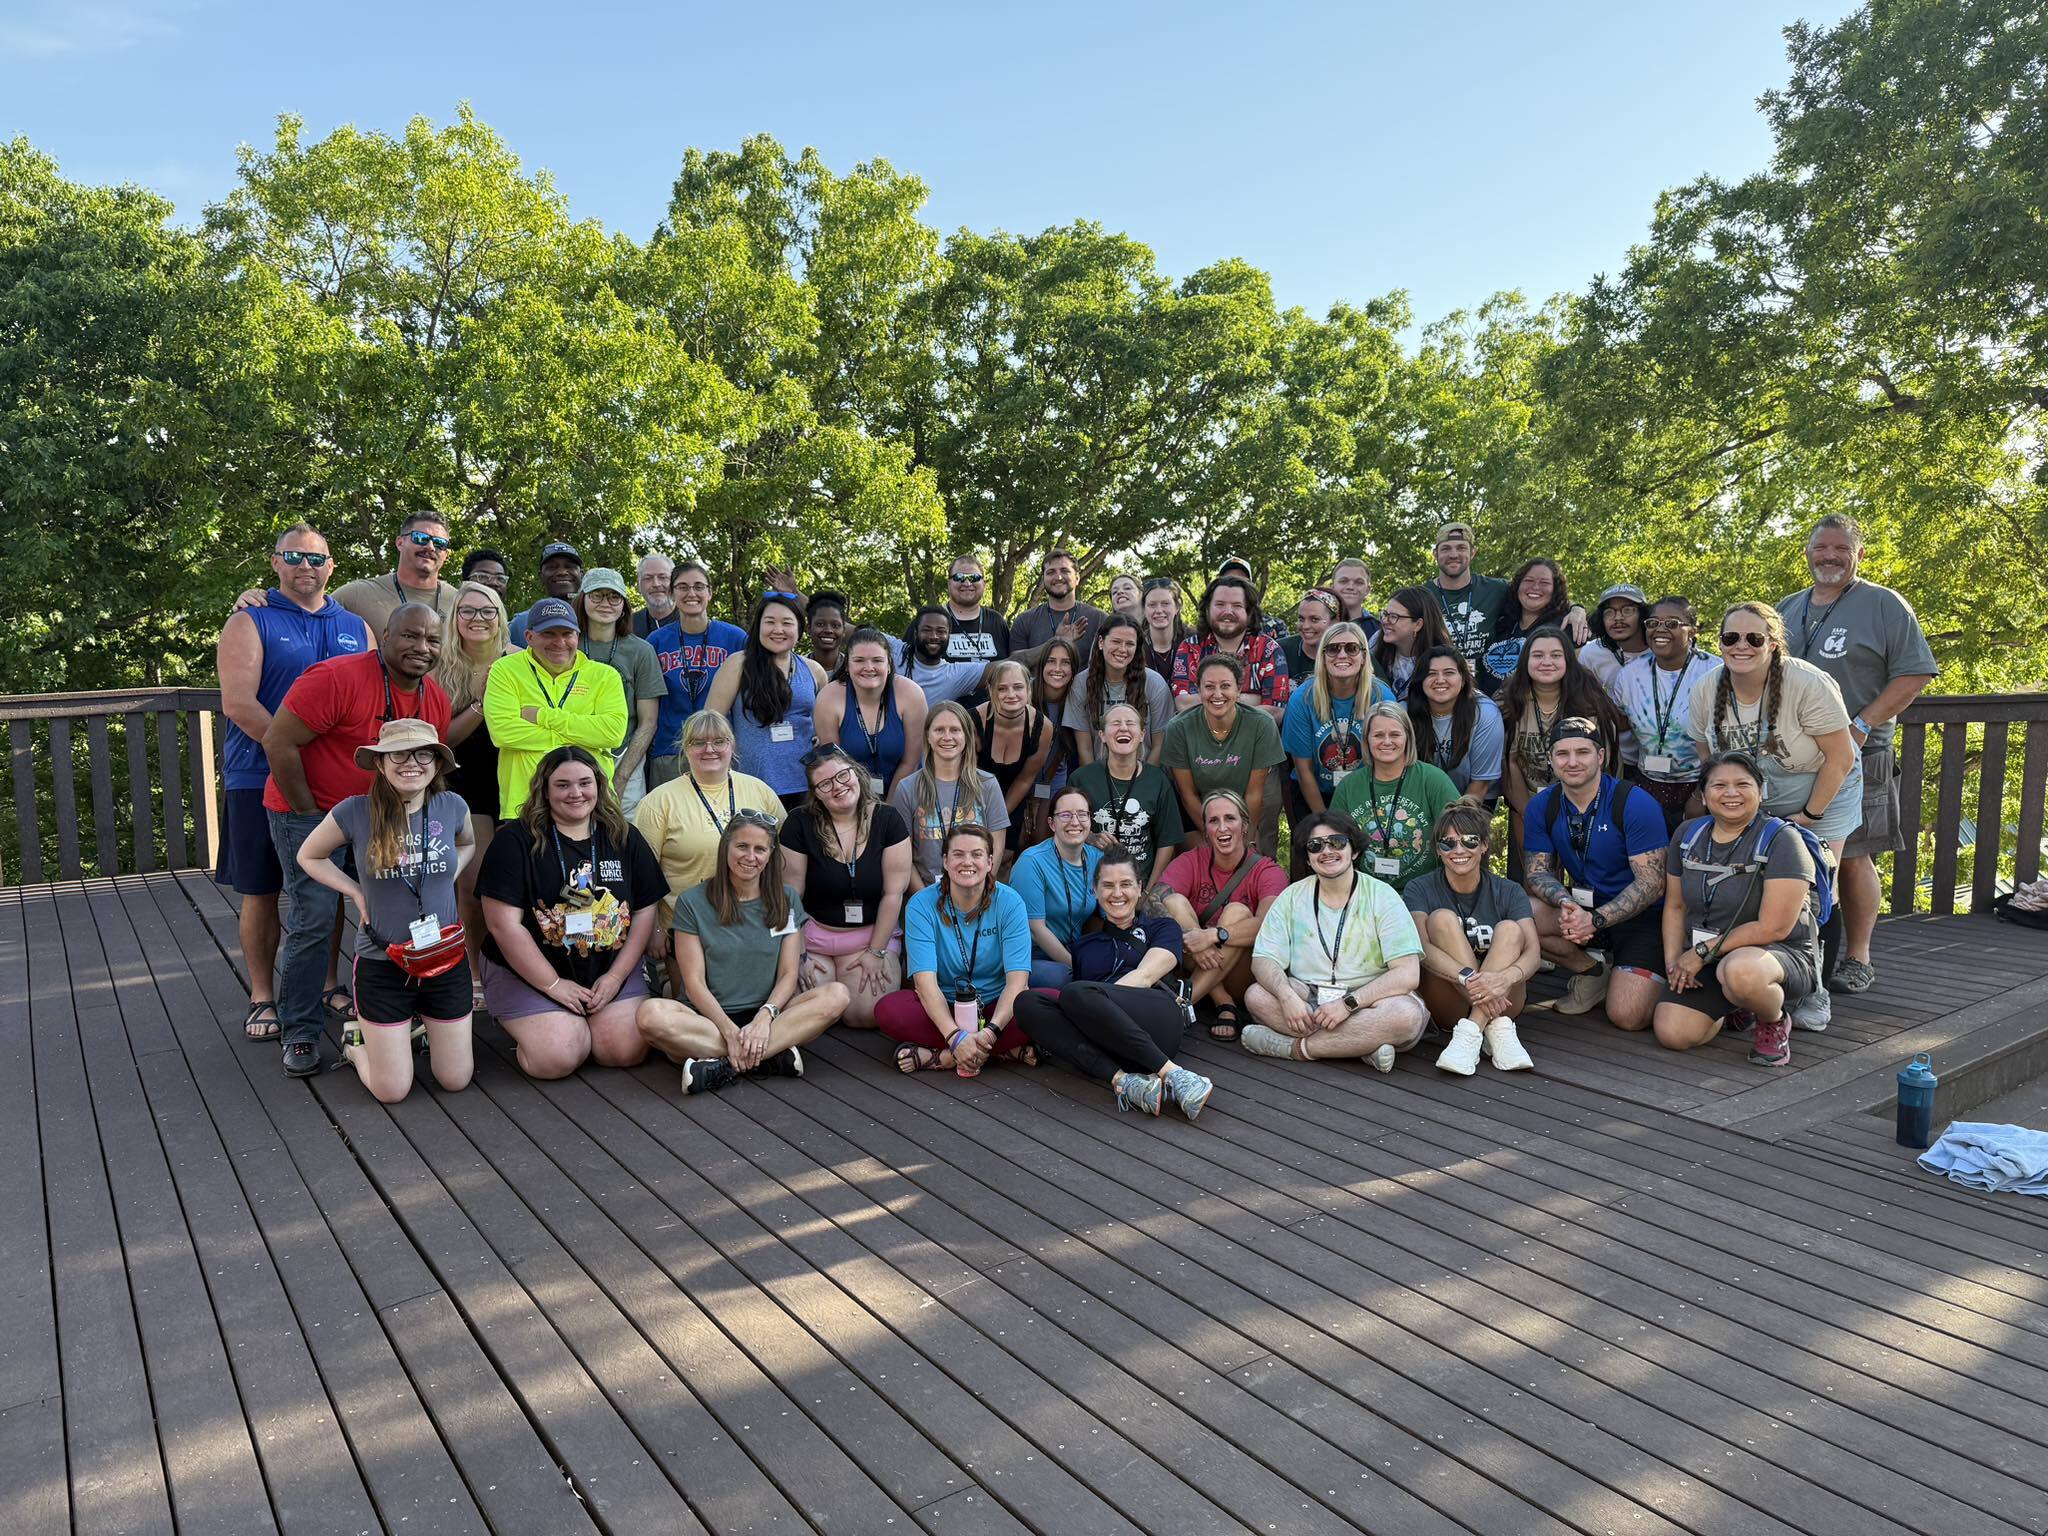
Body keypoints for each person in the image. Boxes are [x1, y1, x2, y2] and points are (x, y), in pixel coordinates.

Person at [261, 603, 451, 1075]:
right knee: (316, 916)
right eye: (410, 636)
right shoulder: (336, 677)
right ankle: (301, 1031)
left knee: (394, 911)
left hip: (382, 818)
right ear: (385, 636)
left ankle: (400, 1018)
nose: (421, 648)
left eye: (431, 640)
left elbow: (422, 770)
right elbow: (278, 742)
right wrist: (309, 812)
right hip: (309, 810)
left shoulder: (435, 699)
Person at [216, 524, 374, 1042]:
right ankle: (263, 995)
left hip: (337, 785)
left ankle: (326, 983)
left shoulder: (355, 625)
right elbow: (239, 703)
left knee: (325, 886)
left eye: (315, 558)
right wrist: (293, 751)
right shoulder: (250, 620)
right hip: (258, 775)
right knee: (261, 888)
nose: (305, 566)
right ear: (275, 562)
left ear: (332, 566)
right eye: (293, 556)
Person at [1776, 513, 1937, 994]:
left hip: (1860, 756)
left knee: (1852, 856)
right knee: (1796, 853)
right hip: (1794, 759)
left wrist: (1862, 725)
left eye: (1840, 548)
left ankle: (1858, 957)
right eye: (1820, 548)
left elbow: (1915, 673)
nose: (1829, 556)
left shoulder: (1884, 604)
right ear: (1807, 553)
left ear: (1858, 554)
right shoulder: (1787, 607)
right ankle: (1803, 952)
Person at [1690, 601, 1861, 1033]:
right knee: (1750, 881)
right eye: (1731, 638)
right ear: (1720, 643)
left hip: (1821, 786)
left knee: (1819, 884)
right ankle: (1757, 979)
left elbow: (1840, 757)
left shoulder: (1806, 682)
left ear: (1773, 643)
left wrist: (1808, 817)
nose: (1741, 646)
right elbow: (1708, 760)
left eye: (1754, 638)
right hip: (1753, 792)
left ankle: (1815, 989)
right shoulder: (1707, 689)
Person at [294, 719, 476, 1102]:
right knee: (391, 1090)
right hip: (383, 961)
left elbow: (466, 845)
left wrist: (445, 875)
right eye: (398, 754)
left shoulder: (452, 806)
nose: (412, 763)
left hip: (444, 957)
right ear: (381, 763)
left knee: (455, 1079)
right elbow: (309, 855)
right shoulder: (355, 812)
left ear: (437, 762)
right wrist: (355, 892)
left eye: (423, 753)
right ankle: (357, 1046)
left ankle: (415, 1030)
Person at [475, 744, 664, 1077]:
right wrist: (553, 986)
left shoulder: (622, 835)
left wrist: (617, 976)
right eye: (563, 785)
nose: (576, 793)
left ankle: (583, 1025)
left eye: (584, 783)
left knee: (624, 1050)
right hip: (532, 972)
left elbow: (646, 907)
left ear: (598, 787)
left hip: (607, 964)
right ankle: (545, 1025)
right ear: (544, 791)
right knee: (556, 1058)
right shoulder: (515, 842)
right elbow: (503, 925)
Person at [635, 812, 849, 1093]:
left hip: (768, 1017)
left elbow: (788, 974)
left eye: (760, 849)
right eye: (742, 846)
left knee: (837, 995)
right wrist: (729, 1031)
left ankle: (721, 1065)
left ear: (771, 854)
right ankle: (768, 1057)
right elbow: (694, 982)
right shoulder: (692, 902)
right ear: (726, 848)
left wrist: (763, 1019)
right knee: (650, 1014)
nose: (750, 856)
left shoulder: (785, 899)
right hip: (707, 1021)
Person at [1013, 848, 1215, 1119]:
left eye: (1126, 884)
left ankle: (1176, 1076)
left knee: (1075, 993)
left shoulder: (1162, 927)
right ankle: (1125, 1081)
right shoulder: (1084, 946)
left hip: (1157, 1020)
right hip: (1112, 1040)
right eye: (1107, 885)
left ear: (1140, 888)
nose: (1117, 893)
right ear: (1094, 891)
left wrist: (1093, 998)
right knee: (1026, 1002)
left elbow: (1145, 976)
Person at [1653, 751, 1825, 1068]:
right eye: (1719, 785)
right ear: (1703, 795)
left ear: (1761, 792)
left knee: (1739, 972)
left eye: (1742, 784)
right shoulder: (1687, 835)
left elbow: (1774, 928)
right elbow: (1675, 905)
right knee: (1673, 1033)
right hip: (1707, 954)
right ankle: (1736, 1003)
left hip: (1774, 954)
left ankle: (1772, 1018)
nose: (1731, 793)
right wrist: (1674, 963)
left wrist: (1699, 953)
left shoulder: (1782, 839)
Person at [1239, 810, 1429, 1069]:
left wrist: (1349, 1004)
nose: (1326, 851)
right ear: (1307, 858)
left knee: (1406, 1015)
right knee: (1257, 995)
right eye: (1315, 846)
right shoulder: (1292, 897)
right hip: (1309, 996)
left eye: (1337, 842)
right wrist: (1286, 997)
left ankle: (1295, 1049)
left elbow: (1407, 974)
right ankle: (1362, 1045)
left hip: (1368, 998)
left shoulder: (1383, 896)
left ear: (1355, 851)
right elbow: (1263, 960)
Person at [1521, 718, 1669, 1027]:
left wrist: (1597, 919)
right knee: (1521, 914)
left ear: (1600, 756)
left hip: (1640, 916)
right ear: (1550, 759)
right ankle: (1593, 971)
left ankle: (1648, 974)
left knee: (1627, 1015)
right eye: (1562, 754)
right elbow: (1536, 873)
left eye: (1583, 752)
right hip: (1581, 906)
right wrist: (1566, 904)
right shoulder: (1542, 805)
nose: (1572, 762)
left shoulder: (1634, 802)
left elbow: (1652, 884)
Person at [876, 824, 1036, 1075]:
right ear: (946, 861)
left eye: (976, 854)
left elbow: (1017, 982)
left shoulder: (1010, 901)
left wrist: (991, 1032)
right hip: (944, 1005)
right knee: (888, 1010)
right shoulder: (921, 905)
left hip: (994, 1007)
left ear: (990, 861)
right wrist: (955, 1037)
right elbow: (925, 984)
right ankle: (994, 1051)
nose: (967, 862)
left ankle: (943, 1057)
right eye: (958, 854)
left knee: (1045, 1003)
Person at [779, 746, 912, 1029]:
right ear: (815, 793)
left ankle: (888, 959)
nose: (838, 787)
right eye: (825, 784)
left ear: (856, 772)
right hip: (814, 937)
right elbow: (789, 896)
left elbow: (893, 893)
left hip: (871, 936)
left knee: (864, 1015)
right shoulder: (799, 824)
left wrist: (876, 953)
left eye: (842, 775)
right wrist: (798, 953)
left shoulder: (888, 820)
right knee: (809, 1005)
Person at [1404, 799, 1538, 1073]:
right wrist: (1471, 979)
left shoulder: (1509, 890)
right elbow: (1422, 949)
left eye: (1469, 841)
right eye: (1447, 843)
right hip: (1448, 998)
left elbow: (1533, 954)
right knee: (1441, 918)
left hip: (1506, 995)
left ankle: (1471, 1032)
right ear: (1437, 850)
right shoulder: (1420, 888)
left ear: (1485, 845)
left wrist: (1504, 978)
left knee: (1511, 929)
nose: (1459, 850)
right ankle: (1495, 1028)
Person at [633, 709, 787, 943]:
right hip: (685, 927)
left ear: (732, 745)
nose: (709, 749)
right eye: (698, 742)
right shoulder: (659, 801)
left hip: (753, 923)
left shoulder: (760, 791)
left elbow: (784, 855)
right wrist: (654, 929)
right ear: (685, 747)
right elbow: (643, 873)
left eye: (719, 741)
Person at [1153, 790, 1289, 1040]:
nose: (1222, 827)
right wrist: (1198, 941)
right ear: (1205, 830)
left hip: (1242, 973)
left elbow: (1270, 926)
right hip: (1195, 962)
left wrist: (1214, 935)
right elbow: (1155, 900)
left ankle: (1184, 1002)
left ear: (1245, 826)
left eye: (1230, 818)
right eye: (1213, 821)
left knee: (1237, 911)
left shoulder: (1267, 870)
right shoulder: (1192, 860)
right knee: (1173, 900)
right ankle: (1220, 1000)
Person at [432, 579, 511, 999]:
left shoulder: (520, 661)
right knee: (473, 882)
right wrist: (480, 702)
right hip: (466, 783)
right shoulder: (440, 668)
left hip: (518, 782)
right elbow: (441, 739)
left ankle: (515, 970)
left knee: (519, 882)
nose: (478, 619)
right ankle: (474, 970)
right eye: (468, 611)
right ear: (455, 619)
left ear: (500, 618)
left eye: (487, 611)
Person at [483, 597, 629, 821]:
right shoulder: (505, 670)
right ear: (529, 637)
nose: (559, 642)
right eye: (549, 634)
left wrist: (542, 715)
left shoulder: (605, 675)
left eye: (566, 634)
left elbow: (612, 733)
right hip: (524, 804)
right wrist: (583, 738)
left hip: (591, 803)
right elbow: (503, 732)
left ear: (577, 637)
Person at [1499, 627, 1624, 855]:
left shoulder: (1591, 703)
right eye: (1538, 656)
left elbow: (1605, 764)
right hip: (1526, 802)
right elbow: (1509, 761)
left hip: (1587, 806)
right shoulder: (1509, 701)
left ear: (1568, 659)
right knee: (1536, 878)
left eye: (1556, 655)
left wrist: (1584, 812)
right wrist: (1530, 813)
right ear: (1526, 660)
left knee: (1586, 879)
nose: (1547, 662)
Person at [705, 592, 829, 803]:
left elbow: (827, 722)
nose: (778, 630)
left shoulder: (814, 671)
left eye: (787, 623)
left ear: (800, 629)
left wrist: (821, 736)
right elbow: (710, 720)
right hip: (752, 783)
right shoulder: (739, 664)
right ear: (758, 626)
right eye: (770, 622)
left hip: (806, 784)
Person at [1160, 654, 1287, 856]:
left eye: (1226, 686)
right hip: (1201, 809)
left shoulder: (1261, 723)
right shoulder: (1179, 728)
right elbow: (1188, 795)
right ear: (1199, 690)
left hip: (1245, 807)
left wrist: (1245, 840)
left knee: (1255, 858)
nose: (1217, 694)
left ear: (1238, 690)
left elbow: (1254, 794)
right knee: (1206, 856)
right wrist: (1216, 835)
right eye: (1209, 686)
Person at [1612, 597, 1720, 832]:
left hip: (1703, 785)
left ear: (1692, 631)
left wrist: (1702, 792)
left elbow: (1727, 741)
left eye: (1672, 623)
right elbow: (1620, 725)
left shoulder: (1715, 672)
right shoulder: (1630, 675)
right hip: (1647, 783)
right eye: (1653, 623)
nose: (1660, 629)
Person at [1424, 522, 1589, 673]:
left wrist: (1577, 609)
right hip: (1440, 681)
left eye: (1461, 548)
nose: (1454, 554)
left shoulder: (1496, 588)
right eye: (1446, 548)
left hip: (1483, 685)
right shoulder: (1421, 595)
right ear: (1435, 554)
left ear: (1473, 552)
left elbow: (1536, 594)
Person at [1331, 703, 1461, 892]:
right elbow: (1334, 843)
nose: (1386, 741)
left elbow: (1463, 835)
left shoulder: (1433, 779)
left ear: (1408, 738)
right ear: (1366, 740)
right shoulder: (1349, 786)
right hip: (1365, 895)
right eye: (1378, 735)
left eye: (1395, 734)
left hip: (1425, 894)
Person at [646, 560, 749, 788]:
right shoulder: (656, 642)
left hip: (720, 749)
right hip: (670, 750)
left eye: (699, 586)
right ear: (672, 593)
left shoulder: (735, 638)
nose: (691, 593)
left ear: (710, 593)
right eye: (682, 587)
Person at [1281, 620, 1394, 825]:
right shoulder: (1302, 699)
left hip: (1368, 792)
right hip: (1313, 792)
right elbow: (1303, 769)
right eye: (1333, 649)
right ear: (1323, 657)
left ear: (1363, 656)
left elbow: (1389, 761)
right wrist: (1326, 822)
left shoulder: (1381, 695)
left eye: (1351, 648)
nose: (1342, 655)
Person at [890, 701, 1010, 887]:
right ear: (928, 736)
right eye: (939, 730)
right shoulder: (907, 788)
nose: (947, 737)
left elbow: (996, 848)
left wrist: (979, 891)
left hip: (976, 891)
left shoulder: (987, 785)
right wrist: (925, 900)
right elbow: (903, 857)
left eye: (955, 730)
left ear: (967, 736)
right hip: (925, 895)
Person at [576, 568, 664, 818]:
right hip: (574, 754)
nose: (605, 603)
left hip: (624, 756)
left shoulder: (641, 651)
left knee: (625, 832)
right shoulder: (566, 645)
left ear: (624, 606)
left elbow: (648, 722)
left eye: (614, 597)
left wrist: (623, 775)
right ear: (583, 599)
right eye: (597, 595)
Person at [1071, 702, 1185, 884]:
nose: (1123, 728)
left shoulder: (1158, 780)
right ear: (1102, 735)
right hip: (1093, 884)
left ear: (1141, 735)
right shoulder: (1081, 778)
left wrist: (1148, 891)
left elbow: (1167, 842)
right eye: (1115, 723)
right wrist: (1090, 837)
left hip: (1140, 883)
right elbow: (1066, 829)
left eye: (1130, 723)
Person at [813, 627, 927, 798]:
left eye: (877, 660)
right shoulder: (829, 698)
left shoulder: (911, 694)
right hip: (848, 795)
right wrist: (860, 810)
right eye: (859, 660)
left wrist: (888, 810)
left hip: (905, 794)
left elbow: (910, 762)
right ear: (847, 665)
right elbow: (835, 766)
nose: (869, 667)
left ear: (889, 664)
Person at [1010, 786, 1105, 987]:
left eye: (1082, 814)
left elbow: (1108, 914)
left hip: (1074, 948)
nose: (1075, 822)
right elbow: (1035, 930)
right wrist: (1078, 967)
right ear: (1052, 823)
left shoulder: (1098, 859)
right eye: (1065, 815)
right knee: (1065, 977)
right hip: (1030, 955)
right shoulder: (1032, 862)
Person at [1170, 573, 1292, 718]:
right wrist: (1248, 699)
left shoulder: (1268, 650)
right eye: (1220, 604)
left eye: (1237, 605)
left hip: (1253, 739)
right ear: (1207, 609)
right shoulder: (1190, 648)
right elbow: (1184, 705)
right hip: (1200, 739)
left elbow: (1275, 712)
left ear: (1249, 612)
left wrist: (1212, 700)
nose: (1228, 612)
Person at [327, 510, 463, 633]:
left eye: (440, 543)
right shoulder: (357, 595)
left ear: (446, 554)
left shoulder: (460, 602)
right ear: (400, 543)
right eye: (421, 538)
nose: (430, 547)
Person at [1065, 615, 1174, 765]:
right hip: (1099, 772)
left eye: (1129, 644)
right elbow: (1085, 750)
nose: (1122, 649)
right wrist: (1094, 782)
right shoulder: (1081, 683)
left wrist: (1145, 781)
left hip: (1145, 771)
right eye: (1116, 641)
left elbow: (1159, 745)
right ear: (1101, 642)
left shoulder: (1155, 684)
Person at [1407, 645, 1505, 799]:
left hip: (1474, 798)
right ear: (1420, 680)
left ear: (1464, 679)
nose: (1440, 680)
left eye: (1449, 673)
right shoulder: (1404, 712)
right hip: (1420, 800)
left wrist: (1454, 821)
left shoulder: (1485, 714)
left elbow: (1480, 784)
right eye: (1431, 674)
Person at [976, 657, 1057, 832]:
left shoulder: (1043, 727)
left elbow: (1025, 779)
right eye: (1002, 688)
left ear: (1029, 688)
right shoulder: (973, 722)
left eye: (1018, 687)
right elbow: (964, 775)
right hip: (971, 797)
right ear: (990, 690)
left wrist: (998, 819)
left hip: (1012, 798)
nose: (1011, 695)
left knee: (1006, 853)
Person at [1479, 558, 1573, 697]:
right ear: (1517, 585)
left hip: (1527, 712)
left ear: (1555, 589)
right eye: (1528, 580)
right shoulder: (1503, 622)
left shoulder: (1564, 627)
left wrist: (1578, 609)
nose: (1535, 587)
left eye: (1544, 582)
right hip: (1485, 711)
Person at [907, 553, 1010, 670]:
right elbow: (903, 663)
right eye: (959, 577)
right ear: (949, 582)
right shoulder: (927, 619)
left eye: (974, 577)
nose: (967, 583)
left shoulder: (997, 621)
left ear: (984, 583)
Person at [1010, 548, 1108, 663]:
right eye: (1051, 572)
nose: (1058, 577)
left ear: (1077, 578)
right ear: (1043, 579)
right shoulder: (1024, 620)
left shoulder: (1100, 619)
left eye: (1064, 571)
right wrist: (1056, 641)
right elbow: (1014, 664)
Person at [904, 606, 1006, 707]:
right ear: (915, 633)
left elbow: (1001, 667)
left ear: (949, 636)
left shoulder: (952, 674)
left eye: (941, 631)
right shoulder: (898, 652)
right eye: (926, 630)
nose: (933, 636)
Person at [1372, 585, 1454, 704]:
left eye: (1394, 617)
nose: (1385, 621)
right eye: (1385, 614)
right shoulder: (1376, 642)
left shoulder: (1443, 657)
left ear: (1418, 624)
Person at [506, 541, 583, 646]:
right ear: (541, 576)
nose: (562, 572)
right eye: (552, 567)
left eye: (569, 567)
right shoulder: (521, 623)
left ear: (581, 574)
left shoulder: (599, 619)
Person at [1579, 583, 1651, 692]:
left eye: (1627, 610)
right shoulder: (1592, 653)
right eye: (1609, 612)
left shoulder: (1661, 648)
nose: (1618, 618)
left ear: (1643, 615)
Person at [1216, 557, 1291, 645]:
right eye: (1229, 581)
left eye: (1242, 582)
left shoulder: (1275, 627)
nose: (1235, 587)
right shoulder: (1209, 627)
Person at [1279, 587, 1342, 683]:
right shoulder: (1279, 651)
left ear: (1335, 622)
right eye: (1301, 619)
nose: (1305, 626)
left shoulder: (1350, 653)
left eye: (1314, 619)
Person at [1329, 557, 1383, 648]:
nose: (1350, 586)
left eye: (1359, 582)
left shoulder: (1379, 631)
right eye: (1343, 581)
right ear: (1332, 587)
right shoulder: (1319, 625)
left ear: (1367, 590)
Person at [1141, 577, 1187, 685]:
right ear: (1144, 609)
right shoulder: (1135, 645)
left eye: (1165, 604)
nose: (1159, 610)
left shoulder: (1194, 642)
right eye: (1152, 605)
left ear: (1177, 607)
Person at [803, 589, 854, 676]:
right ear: (809, 628)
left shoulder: (853, 670)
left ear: (844, 630)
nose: (828, 630)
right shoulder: (796, 669)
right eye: (820, 624)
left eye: (835, 625)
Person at [633, 553, 676, 638]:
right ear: (639, 585)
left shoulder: (690, 621)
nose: (656, 584)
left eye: (663, 577)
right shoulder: (628, 626)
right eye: (648, 578)